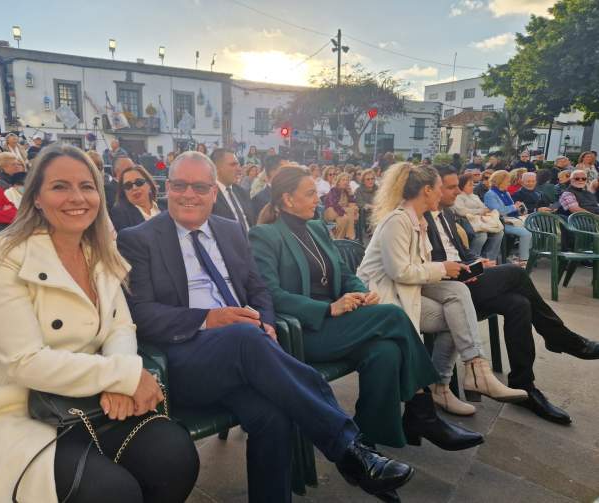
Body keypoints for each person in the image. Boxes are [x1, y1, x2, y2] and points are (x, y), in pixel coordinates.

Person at [118, 151, 417, 502]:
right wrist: (209, 318)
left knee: (273, 415)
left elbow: (258, 288)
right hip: (187, 358)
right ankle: (349, 448)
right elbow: (142, 313)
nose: (189, 195)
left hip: (249, 352)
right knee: (245, 335)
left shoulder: (230, 230)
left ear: (214, 192)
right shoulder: (138, 238)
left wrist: (268, 324)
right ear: (166, 187)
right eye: (180, 185)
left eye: (199, 187)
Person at [0, 145, 199, 503]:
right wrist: (121, 376)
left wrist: (119, 378)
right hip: (11, 408)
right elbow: (24, 362)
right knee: (111, 493)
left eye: (87, 186)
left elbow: (120, 327)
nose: (77, 197)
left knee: (175, 457)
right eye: (60, 186)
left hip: (87, 398)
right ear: (36, 197)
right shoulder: (3, 256)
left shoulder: (100, 252)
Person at [251, 165, 484, 443]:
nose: (318, 199)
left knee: (386, 352)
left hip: (340, 323)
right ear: (288, 199)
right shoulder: (264, 235)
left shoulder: (316, 229)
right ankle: (423, 411)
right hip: (303, 331)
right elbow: (271, 294)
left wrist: (362, 293)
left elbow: (345, 274)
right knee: (393, 316)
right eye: (311, 193)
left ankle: (365, 442)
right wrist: (328, 308)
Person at [425, 165, 599, 424]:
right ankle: (561, 338)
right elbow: (423, 266)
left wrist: (478, 262)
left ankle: (524, 386)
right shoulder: (418, 218)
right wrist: (461, 268)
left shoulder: (446, 214)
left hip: (468, 281)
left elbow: (463, 251)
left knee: (519, 304)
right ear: (431, 189)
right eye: (450, 187)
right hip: (449, 291)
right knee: (516, 274)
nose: (458, 191)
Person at [357, 163, 525, 415]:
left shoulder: (417, 220)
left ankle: (470, 372)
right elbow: (399, 271)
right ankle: (446, 384)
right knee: (456, 315)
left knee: (458, 297)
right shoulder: (397, 220)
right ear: (427, 190)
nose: (444, 194)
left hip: (406, 290)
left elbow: (416, 269)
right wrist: (443, 268)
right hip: (383, 297)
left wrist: (453, 269)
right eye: (439, 188)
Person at [484, 170, 532, 266]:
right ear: (500, 181)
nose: (509, 183)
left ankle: (528, 256)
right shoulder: (490, 194)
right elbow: (498, 211)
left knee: (533, 228)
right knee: (526, 233)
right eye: (507, 181)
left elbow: (512, 208)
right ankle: (523, 260)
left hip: (512, 220)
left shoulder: (506, 193)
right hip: (500, 223)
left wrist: (519, 208)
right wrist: (514, 207)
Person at [453, 173, 504, 261]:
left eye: (473, 185)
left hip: (480, 221)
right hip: (466, 221)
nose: (472, 187)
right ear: (462, 186)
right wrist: (479, 211)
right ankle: (473, 260)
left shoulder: (474, 196)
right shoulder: (459, 196)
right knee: (481, 236)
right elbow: (461, 211)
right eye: (470, 185)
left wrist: (484, 211)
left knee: (499, 233)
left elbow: (483, 207)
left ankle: (489, 259)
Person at [210, 148, 253, 233]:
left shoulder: (242, 192)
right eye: (233, 165)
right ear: (216, 168)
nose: (239, 169)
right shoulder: (208, 194)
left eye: (238, 164)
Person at [110, 165, 160, 231]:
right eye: (128, 185)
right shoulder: (120, 213)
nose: (134, 188)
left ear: (149, 184)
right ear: (124, 191)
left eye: (139, 182)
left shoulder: (166, 205)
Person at [324, 172, 359, 240]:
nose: (345, 182)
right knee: (349, 212)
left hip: (340, 214)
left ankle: (339, 239)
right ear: (339, 182)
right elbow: (333, 205)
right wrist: (344, 212)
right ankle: (351, 236)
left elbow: (352, 204)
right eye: (343, 180)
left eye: (347, 180)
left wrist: (351, 194)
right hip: (331, 212)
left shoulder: (346, 191)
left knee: (344, 219)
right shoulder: (334, 190)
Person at [251, 155, 284, 220]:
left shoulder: (292, 194)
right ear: (273, 172)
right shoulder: (259, 199)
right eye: (287, 170)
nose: (291, 173)